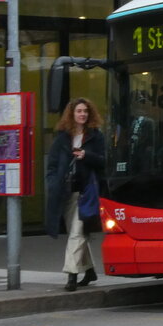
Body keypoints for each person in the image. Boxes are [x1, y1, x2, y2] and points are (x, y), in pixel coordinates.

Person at [44, 97, 106, 291]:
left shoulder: (96, 136)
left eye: (85, 111)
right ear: (72, 114)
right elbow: (52, 165)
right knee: (76, 232)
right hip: (66, 192)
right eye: (79, 111)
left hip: (86, 191)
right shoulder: (62, 138)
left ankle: (71, 274)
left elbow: (104, 161)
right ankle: (89, 270)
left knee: (77, 233)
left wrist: (87, 156)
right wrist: (53, 183)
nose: (82, 114)